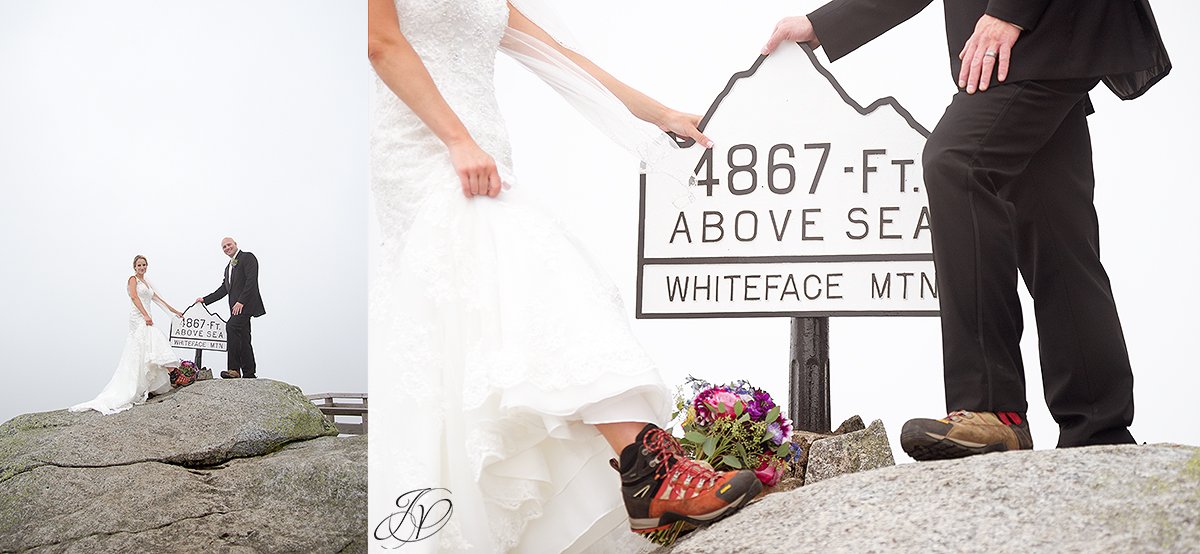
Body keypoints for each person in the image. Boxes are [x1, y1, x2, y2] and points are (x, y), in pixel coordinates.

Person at [367, 0, 761, 550]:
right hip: (427, 154)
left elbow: (565, 58)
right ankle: (649, 469)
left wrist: (662, 114)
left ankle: (641, 472)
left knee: (492, 330)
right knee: (541, 279)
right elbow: (381, 43)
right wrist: (457, 140)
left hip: (485, 157)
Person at [763, 0, 1170, 460]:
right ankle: (1099, 430)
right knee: (1059, 240)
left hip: (1038, 30)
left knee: (955, 163)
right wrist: (823, 24)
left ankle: (994, 410)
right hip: (1049, 41)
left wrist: (1011, 13)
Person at [71, 255, 185, 414]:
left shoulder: (147, 282)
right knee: (152, 340)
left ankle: (149, 383)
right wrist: (145, 315)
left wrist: (175, 311)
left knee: (148, 347)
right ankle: (174, 374)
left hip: (146, 316)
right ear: (134, 267)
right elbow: (134, 296)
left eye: (144, 265)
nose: (142, 267)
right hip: (138, 317)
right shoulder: (133, 279)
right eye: (139, 265)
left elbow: (159, 300)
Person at [196, 237, 265, 379]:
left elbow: (251, 281)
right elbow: (223, 289)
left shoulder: (248, 257)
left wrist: (241, 301)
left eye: (229, 245)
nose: (227, 248)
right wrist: (205, 300)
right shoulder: (228, 268)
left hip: (245, 305)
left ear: (235, 244)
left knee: (231, 327)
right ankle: (249, 373)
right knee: (244, 338)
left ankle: (234, 369)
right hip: (236, 309)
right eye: (224, 247)